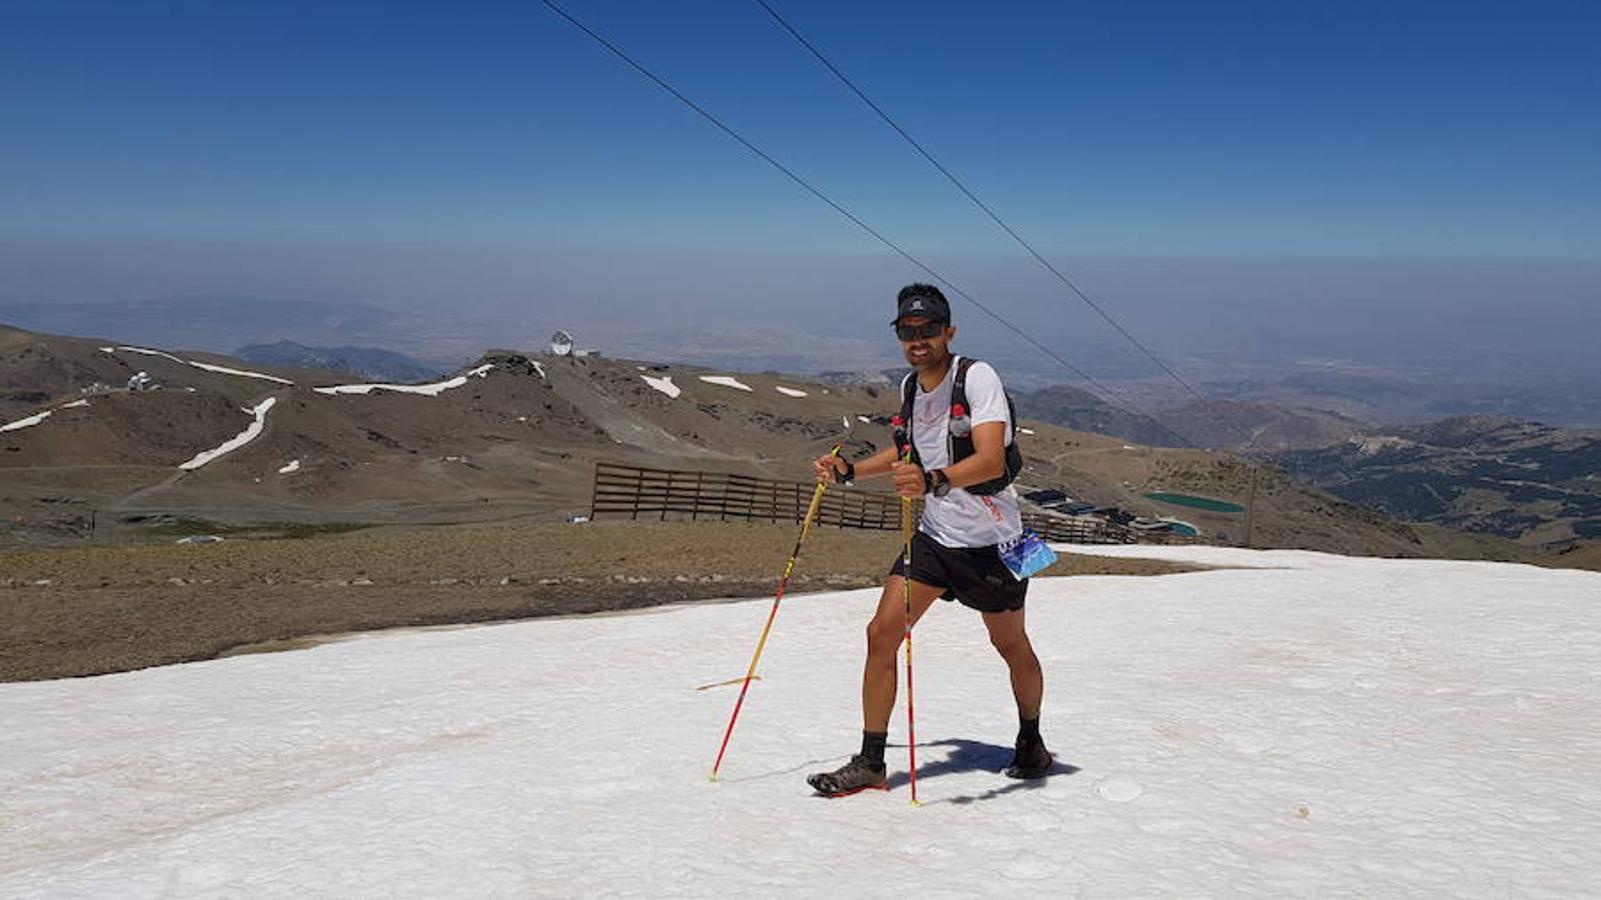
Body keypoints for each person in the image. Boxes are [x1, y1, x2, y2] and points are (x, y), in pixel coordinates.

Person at [805, 283, 1051, 797]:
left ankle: (1031, 740)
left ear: (949, 331)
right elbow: (906, 455)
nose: (918, 340)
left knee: (1010, 645)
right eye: (907, 331)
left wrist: (934, 480)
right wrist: (850, 471)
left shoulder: (977, 378)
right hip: (936, 539)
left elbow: (987, 458)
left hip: (993, 544)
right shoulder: (910, 388)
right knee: (881, 634)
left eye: (928, 330)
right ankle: (872, 761)